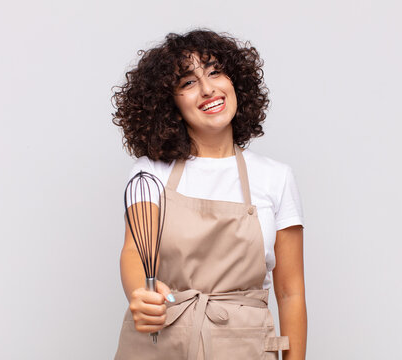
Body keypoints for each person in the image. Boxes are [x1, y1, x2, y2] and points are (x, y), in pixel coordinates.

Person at [112, 29, 306, 360]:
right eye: (188, 82)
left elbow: (290, 293)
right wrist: (141, 294)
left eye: (215, 72)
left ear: (236, 82)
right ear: (169, 103)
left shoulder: (276, 177)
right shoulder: (151, 173)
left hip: (245, 348)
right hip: (161, 344)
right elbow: (135, 251)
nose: (207, 89)